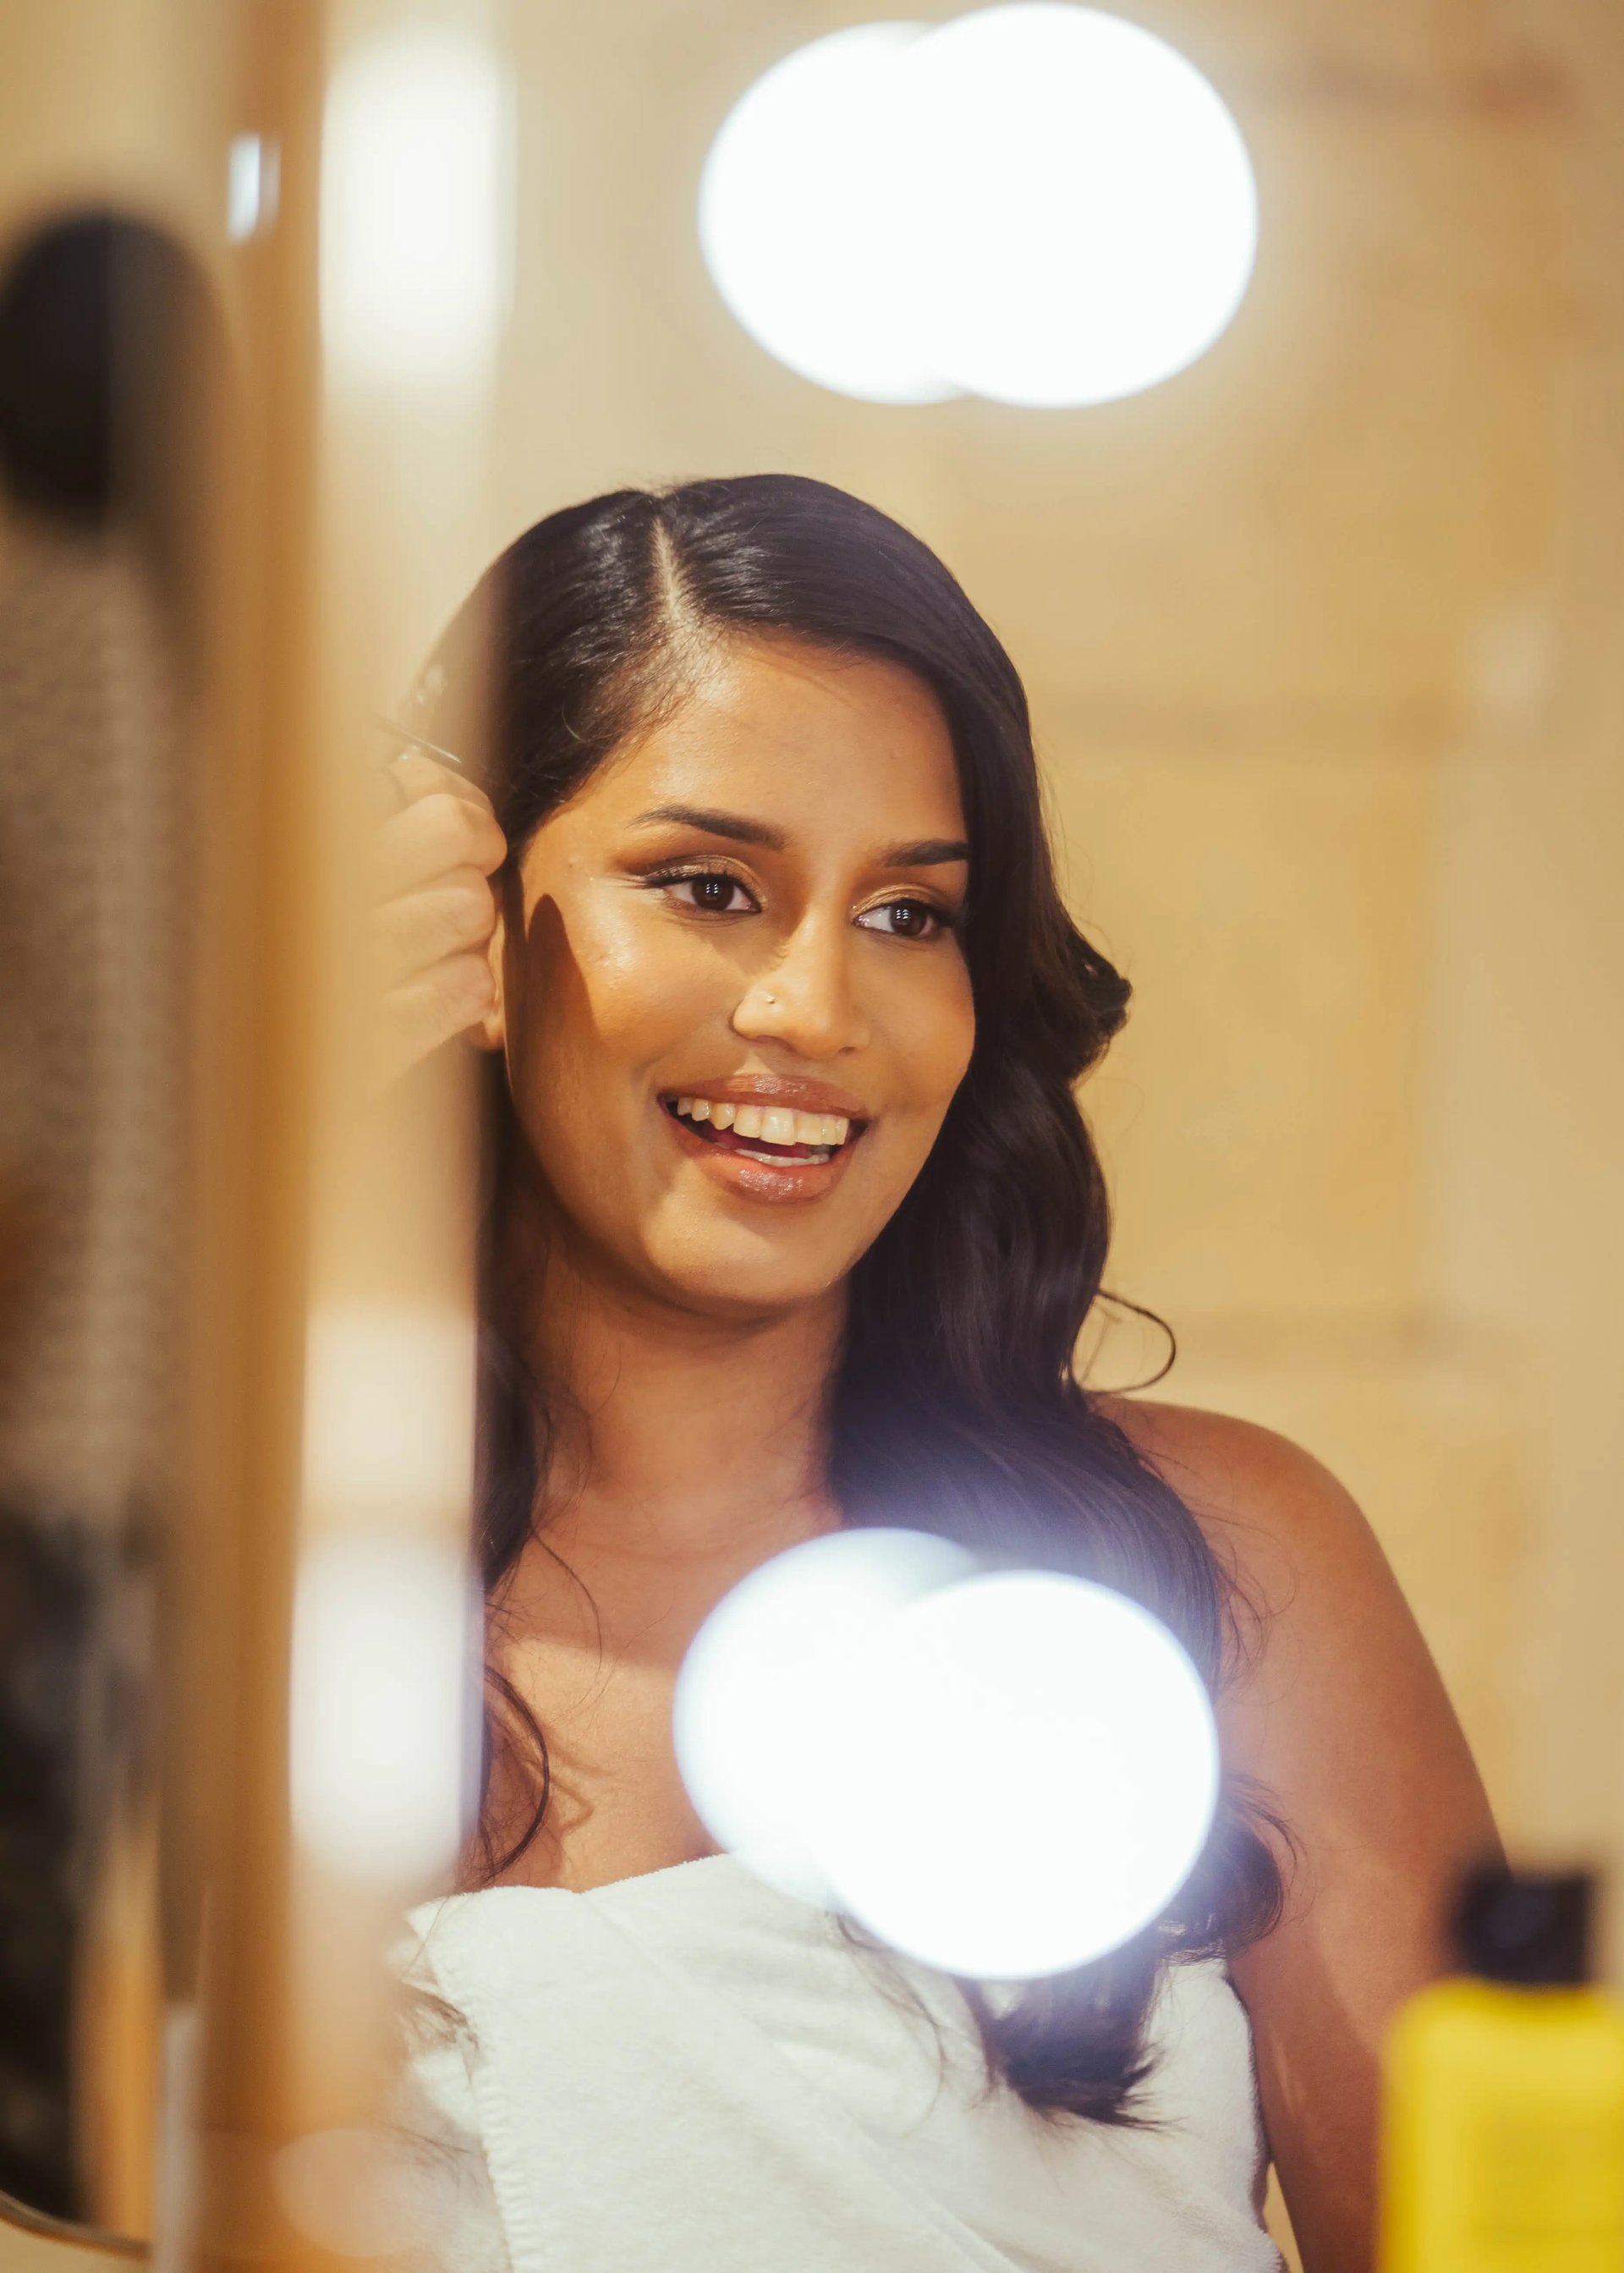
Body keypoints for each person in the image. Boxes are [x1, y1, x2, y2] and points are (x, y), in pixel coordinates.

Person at [377, 475, 1495, 2273]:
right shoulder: (259, 1603)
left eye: (911, 915)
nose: (816, 1011)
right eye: (710, 886)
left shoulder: (1226, 1559)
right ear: (471, 931)